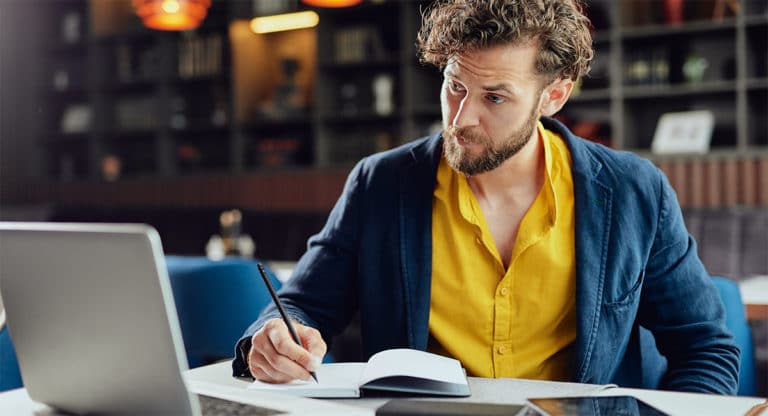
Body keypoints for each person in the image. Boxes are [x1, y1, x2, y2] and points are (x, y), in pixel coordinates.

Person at [233, 0, 739, 394]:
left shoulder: (633, 191)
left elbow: (706, 349)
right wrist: (279, 334)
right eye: (455, 86)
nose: (460, 119)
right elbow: (300, 305)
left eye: (495, 97)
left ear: (554, 96)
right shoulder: (380, 183)